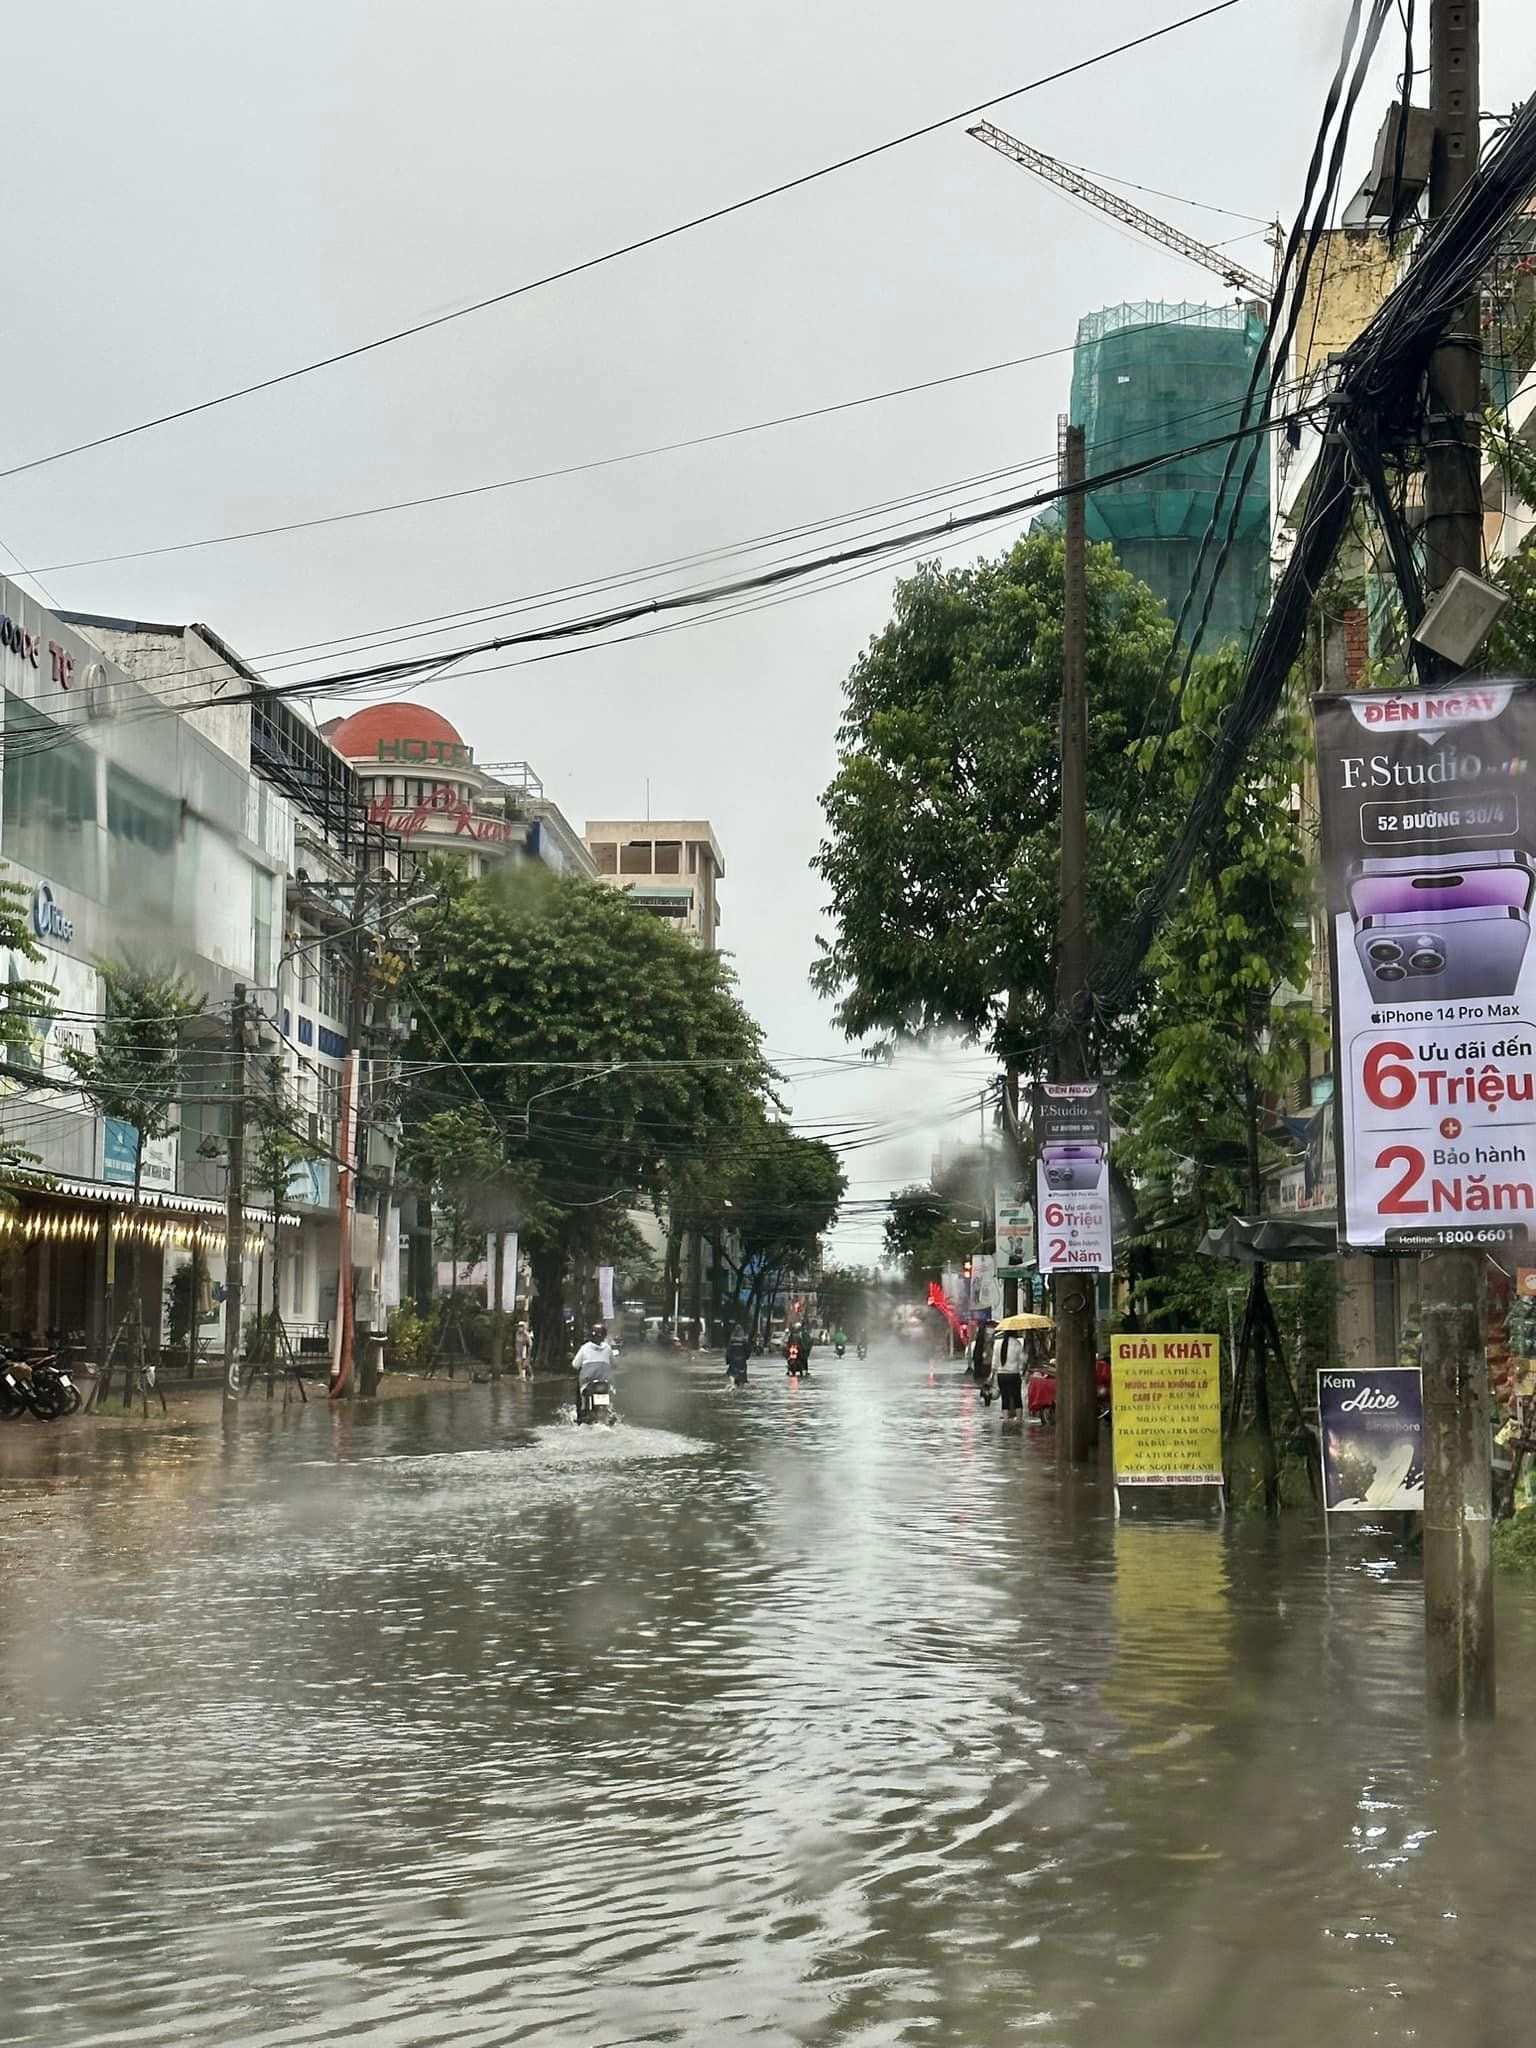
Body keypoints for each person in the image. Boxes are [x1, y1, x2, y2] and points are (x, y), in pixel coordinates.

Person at [571, 1322, 615, 1418]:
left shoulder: (585, 1347)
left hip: (588, 1383)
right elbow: (613, 1364)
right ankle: (610, 1411)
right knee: (611, 1394)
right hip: (605, 1382)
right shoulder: (608, 1348)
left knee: (580, 1392)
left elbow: (575, 1365)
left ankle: (581, 1411)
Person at [996, 1331, 1024, 1419]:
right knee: (1017, 1396)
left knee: (1005, 1397)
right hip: (1014, 1374)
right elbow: (1021, 1360)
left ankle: (1006, 1419)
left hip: (1001, 1374)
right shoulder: (1017, 1344)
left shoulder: (998, 1343)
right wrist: (1022, 1371)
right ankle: (1019, 1419)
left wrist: (992, 1375)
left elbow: (994, 1361)